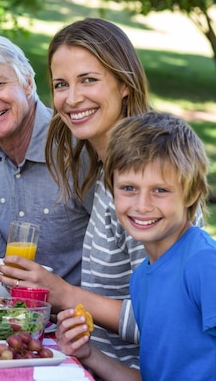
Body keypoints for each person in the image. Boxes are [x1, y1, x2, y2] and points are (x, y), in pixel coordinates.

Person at [0, 18, 205, 373]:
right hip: (96, 365)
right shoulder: (105, 171)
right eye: (61, 84)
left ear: (124, 83)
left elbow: (164, 321)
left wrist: (62, 292)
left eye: (88, 79)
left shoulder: (145, 193)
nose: (72, 98)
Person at [55, 111, 216, 381]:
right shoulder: (142, 278)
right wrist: (89, 354)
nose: (142, 206)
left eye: (160, 190)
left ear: (192, 194)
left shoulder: (202, 263)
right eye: (128, 188)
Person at [0, 32, 92, 286]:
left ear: (28, 84)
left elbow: (123, 250)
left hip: (78, 319)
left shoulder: (76, 148)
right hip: (21, 314)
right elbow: (4, 252)